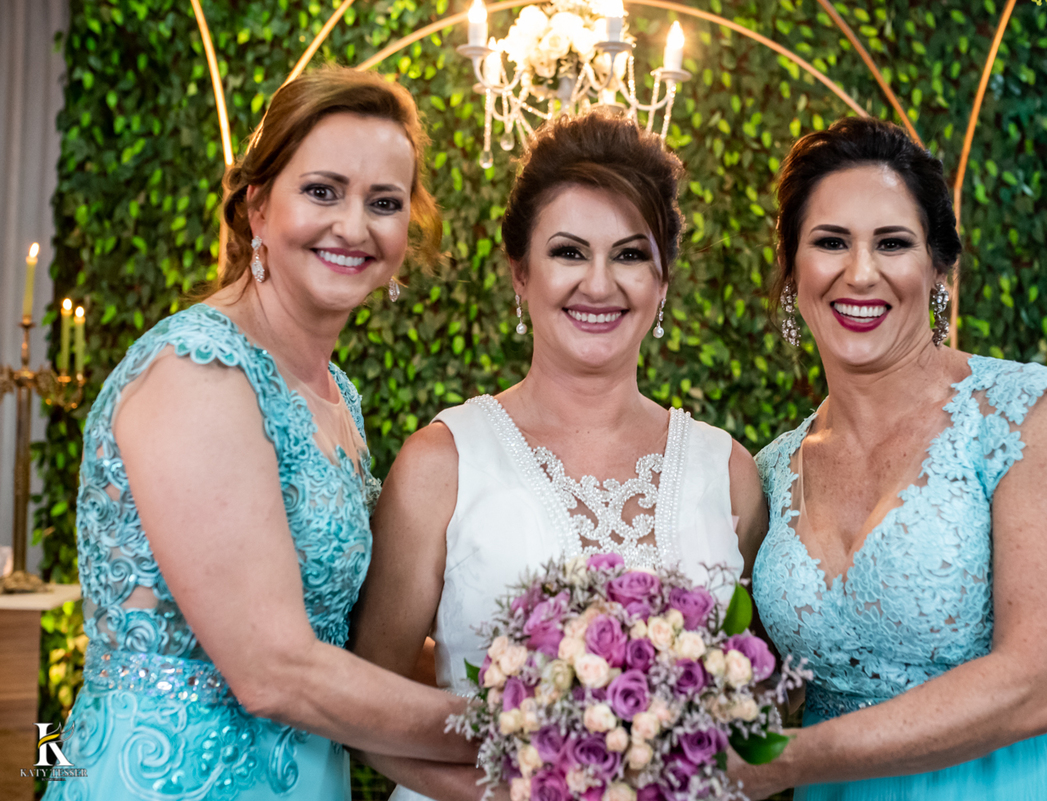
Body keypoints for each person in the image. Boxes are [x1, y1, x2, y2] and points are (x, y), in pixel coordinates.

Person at [47, 68, 476, 800]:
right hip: (170, 780)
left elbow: (337, 632)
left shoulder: (335, 394)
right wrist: (516, 728)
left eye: (384, 202)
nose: (353, 225)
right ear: (257, 207)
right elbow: (273, 669)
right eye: (322, 190)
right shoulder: (197, 373)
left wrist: (553, 673)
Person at [350, 112, 768, 801]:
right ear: (521, 272)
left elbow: (753, 707)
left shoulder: (728, 473)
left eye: (631, 255)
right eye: (569, 252)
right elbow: (371, 703)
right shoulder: (441, 462)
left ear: (663, 281)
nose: (599, 284)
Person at [734, 117, 1047, 800]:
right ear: (792, 271)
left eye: (892, 243)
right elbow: (754, 681)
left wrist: (790, 759)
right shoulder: (773, 468)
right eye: (830, 242)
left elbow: (1039, 685)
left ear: (940, 269)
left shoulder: (1031, 414)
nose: (860, 271)